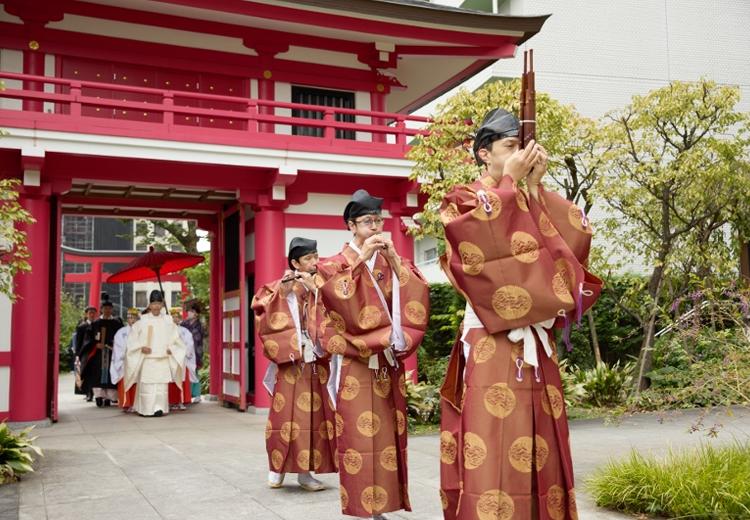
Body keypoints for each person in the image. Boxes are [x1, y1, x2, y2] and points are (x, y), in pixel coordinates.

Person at [437, 108, 602, 520]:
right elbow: (475, 251)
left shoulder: (531, 197)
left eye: (523, 148)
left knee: (544, 445)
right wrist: (510, 183)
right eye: (511, 147)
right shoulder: (461, 199)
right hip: (492, 344)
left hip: (538, 348)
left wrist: (533, 184)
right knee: (492, 447)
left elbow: (573, 247)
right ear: (483, 153)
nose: (520, 154)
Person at [315, 190, 430, 519]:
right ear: (352, 226)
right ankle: (364, 508)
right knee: (358, 436)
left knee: (387, 436)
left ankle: (384, 504)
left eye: (379, 220)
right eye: (368, 221)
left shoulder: (391, 260)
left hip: (388, 363)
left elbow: (416, 294)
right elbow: (334, 304)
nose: (376, 227)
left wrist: (394, 260)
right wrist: (360, 260)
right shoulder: (333, 265)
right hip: (356, 363)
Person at [252, 237, 336, 492]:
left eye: (316, 257)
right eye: (309, 259)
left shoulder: (322, 285)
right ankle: (276, 468)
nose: (314, 262)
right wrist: (284, 294)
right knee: (283, 417)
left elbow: (338, 311)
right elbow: (261, 309)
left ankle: (305, 473)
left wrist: (317, 291)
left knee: (313, 418)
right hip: (291, 362)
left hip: (315, 362)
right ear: (294, 262)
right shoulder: (278, 287)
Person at [125, 290, 187, 417]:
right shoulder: (142, 321)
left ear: (163, 304)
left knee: (161, 387)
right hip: (148, 359)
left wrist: (172, 348)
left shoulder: (169, 321)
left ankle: (159, 408)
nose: (156, 306)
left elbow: (176, 339)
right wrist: (141, 347)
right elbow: (132, 340)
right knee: (147, 386)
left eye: (159, 303)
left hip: (163, 358)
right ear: (149, 304)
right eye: (154, 303)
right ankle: (146, 409)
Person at [82, 298, 123, 407]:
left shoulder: (117, 323)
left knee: (110, 373)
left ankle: (109, 398)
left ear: (112, 310)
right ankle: (99, 396)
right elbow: (88, 339)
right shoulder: (95, 323)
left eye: (109, 308)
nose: (107, 310)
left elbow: (121, 338)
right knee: (98, 374)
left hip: (111, 353)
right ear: (101, 309)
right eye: (105, 308)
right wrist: (95, 344)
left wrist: (115, 345)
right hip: (98, 354)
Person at [111, 307, 139, 412]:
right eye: (129, 317)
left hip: (136, 361)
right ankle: (126, 403)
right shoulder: (121, 332)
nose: (131, 319)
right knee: (125, 382)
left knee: (136, 383)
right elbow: (118, 346)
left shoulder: (141, 331)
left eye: (134, 317)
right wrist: (125, 354)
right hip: (124, 362)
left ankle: (136, 404)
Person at [170, 306, 196, 410]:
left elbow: (189, 344)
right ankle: (171, 401)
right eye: (173, 316)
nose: (175, 319)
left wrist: (182, 352)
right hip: (171, 359)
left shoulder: (185, 331)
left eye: (177, 316)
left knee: (181, 380)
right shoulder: (167, 331)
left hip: (181, 359)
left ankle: (181, 401)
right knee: (171, 381)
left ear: (180, 318)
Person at [180, 300, 205, 402]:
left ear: (196, 314)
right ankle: (188, 394)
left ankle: (197, 394)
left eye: (191, 311)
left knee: (194, 371)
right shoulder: (184, 323)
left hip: (195, 351)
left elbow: (196, 339)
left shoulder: (198, 325)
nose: (188, 313)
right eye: (188, 311)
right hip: (184, 350)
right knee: (186, 372)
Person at [74, 305, 98, 400]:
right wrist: (77, 355)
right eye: (90, 313)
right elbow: (78, 342)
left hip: (95, 352)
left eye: (93, 313)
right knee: (85, 372)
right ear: (86, 314)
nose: (92, 315)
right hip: (85, 353)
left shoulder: (97, 325)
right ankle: (88, 392)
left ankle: (94, 392)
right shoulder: (82, 327)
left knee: (94, 373)